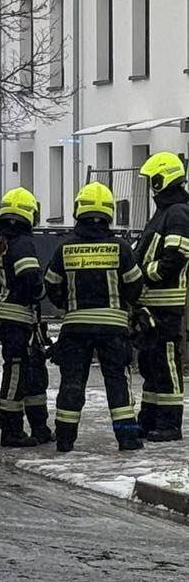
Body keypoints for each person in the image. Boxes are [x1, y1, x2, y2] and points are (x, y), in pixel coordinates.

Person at [45, 182, 144, 453]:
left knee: (72, 381)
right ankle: (127, 438)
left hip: (75, 327)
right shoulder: (121, 248)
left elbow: (51, 285)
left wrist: (69, 304)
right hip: (113, 328)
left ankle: (65, 438)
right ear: (109, 212)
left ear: (79, 210)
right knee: (117, 380)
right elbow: (135, 285)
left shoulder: (64, 248)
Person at [0, 187, 53, 448]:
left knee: (33, 368)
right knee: (17, 370)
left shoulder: (1, 241)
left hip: (7, 315)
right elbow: (30, 279)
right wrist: (40, 291)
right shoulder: (23, 243)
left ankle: (39, 426)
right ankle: (11, 429)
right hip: (18, 316)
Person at [133, 152, 189, 442]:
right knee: (151, 364)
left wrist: (143, 274)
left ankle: (170, 423)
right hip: (151, 303)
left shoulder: (178, 213)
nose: (150, 186)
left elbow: (175, 258)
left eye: (152, 179)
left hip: (165, 304)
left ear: (162, 179)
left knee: (166, 363)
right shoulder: (165, 212)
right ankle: (150, 418)